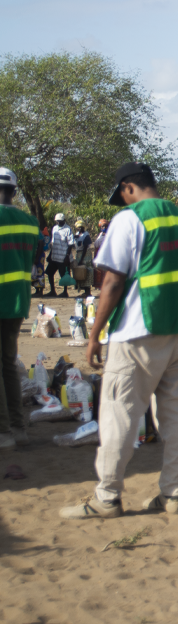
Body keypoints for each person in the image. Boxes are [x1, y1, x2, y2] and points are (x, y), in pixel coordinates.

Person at [60, 162, 178, 519]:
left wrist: (94, 335)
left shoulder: (130, 219)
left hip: (138, 332)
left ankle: (107, 498)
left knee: (119, 414)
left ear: (128, 188)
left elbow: (111, 282)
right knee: (173, 415)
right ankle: (172, 494)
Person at [0, 167, 37, 449]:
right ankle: (19, 428)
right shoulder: (29, 223)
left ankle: (3, 434)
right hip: (18, 302)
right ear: (15, 192)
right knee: (9, 366)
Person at [47, 212, 74, 297]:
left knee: (64, 275)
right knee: (49, 273)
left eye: (60, 221)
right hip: (54, 256)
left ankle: (65, 292)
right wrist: (50, 254)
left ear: (64, 221)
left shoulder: (68, 229)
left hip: (63, 257)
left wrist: (67, 256)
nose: (58, 222)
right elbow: (53, 242)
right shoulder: (54, 228)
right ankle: (52, 291)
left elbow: (70, 243)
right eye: (57, 221)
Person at [73, 220, 94, 296]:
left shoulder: (86, 235)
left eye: (80, 227)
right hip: (79, 254)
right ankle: (84, 291)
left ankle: (88, 292)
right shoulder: (77, 234)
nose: (79, 229)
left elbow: (85, 248)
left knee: (86, 271)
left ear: (83, 227)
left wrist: (81, 259)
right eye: (78, 227)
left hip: (85, 255)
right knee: (81, 272)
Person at [93, 218, 109, 291]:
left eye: (105, 226)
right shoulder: (100, 235)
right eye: (102, 226)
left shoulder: (109, 235)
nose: (104, 228)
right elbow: (96, 244)